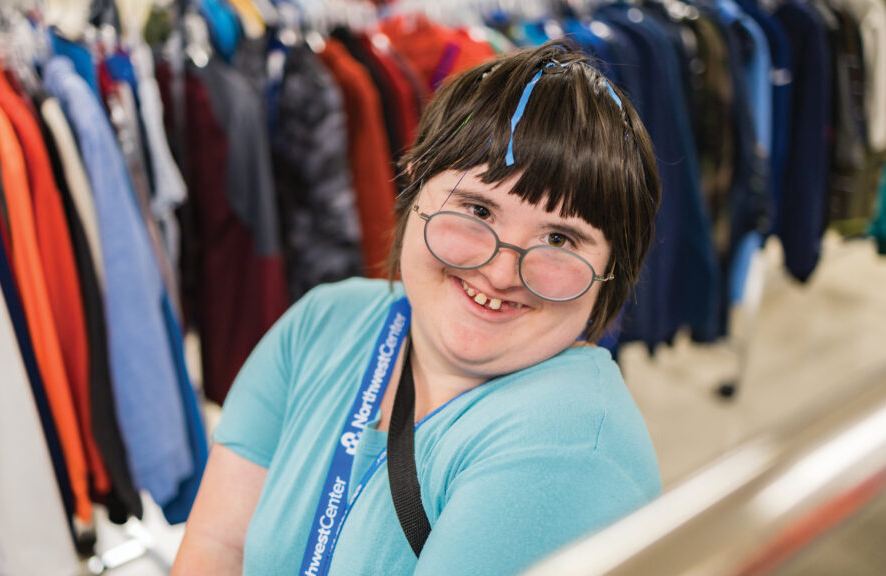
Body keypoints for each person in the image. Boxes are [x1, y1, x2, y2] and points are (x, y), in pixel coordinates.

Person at [172, 41, 663, 576]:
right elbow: (217, 549)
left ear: (613, 271)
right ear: (413, 186)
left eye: (561, 240)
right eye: (477, 209)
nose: (501, 271)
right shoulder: (323, 324)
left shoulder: (570, 450)